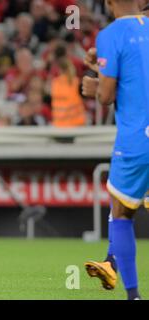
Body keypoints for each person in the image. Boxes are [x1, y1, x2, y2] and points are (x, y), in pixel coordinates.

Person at [81, 0, 149, 300]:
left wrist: (96, 86)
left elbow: (107, 97)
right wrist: (103, 65)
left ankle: (132, 296)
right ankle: (110, 262)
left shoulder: (110, 34)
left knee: (121, 212)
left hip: (137, 139)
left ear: (108, 3)